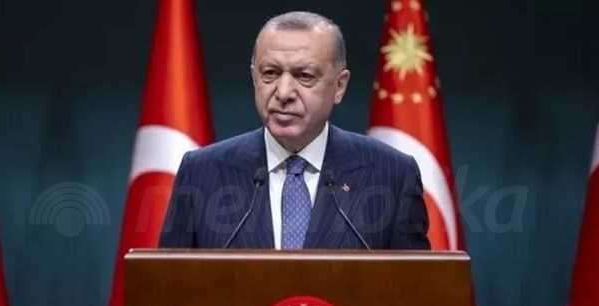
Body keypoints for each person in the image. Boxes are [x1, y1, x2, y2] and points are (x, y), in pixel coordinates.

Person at [159, 11, 429, 250]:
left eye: (304, 76)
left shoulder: (392, 174)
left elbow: (413, 287)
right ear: (254, 77)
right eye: (270, 73)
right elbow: (171, 283)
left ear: (339, 86)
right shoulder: (201, 172)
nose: (284, 92)